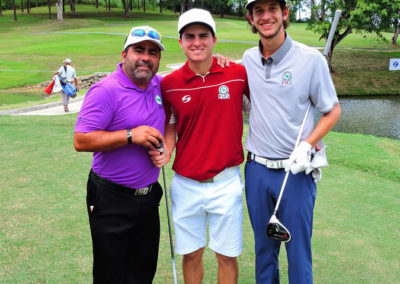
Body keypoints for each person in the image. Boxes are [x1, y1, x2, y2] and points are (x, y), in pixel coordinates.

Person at [242, 0, 341, 283]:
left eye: (272, 8)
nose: (266, 16)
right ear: (251, 18)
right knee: (263, 252)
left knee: (298, 257)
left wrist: (308, 144)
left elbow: (332, 110)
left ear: (285, 13)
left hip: (295, 173)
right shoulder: (247, 59)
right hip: (257, 170)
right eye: (258, 11)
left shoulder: (311, 60)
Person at [154, 8, 249, 284]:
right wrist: (168, 149)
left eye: (203, 35)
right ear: (181, 42)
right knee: (191, 254)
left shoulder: (237, 73)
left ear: (214, 39)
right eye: (190, 36)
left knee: (227, 256)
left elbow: (269, 105)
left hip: (226, 181)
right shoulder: (169, 84)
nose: (197, 42)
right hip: (186, 183)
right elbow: (170, 123)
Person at [73, 26, 168, 283]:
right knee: (110, 274)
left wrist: (167, 147)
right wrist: (130, 135)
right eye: (139, 50)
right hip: (110, 198)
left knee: (143, 270)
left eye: (153, 52)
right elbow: (81, 140)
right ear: (125, 53)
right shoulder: (106, 90)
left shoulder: (159, 84)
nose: (146, 57)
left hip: (148, 198)